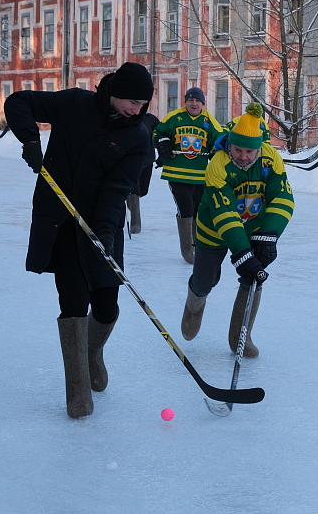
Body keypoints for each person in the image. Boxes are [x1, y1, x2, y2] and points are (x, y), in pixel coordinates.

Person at [4, 63, 155, 419]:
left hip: (102, 224)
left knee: (106, 306)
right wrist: (29, 138)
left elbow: (117, 188)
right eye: (132, 101)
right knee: (73, 302)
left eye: (143, 104)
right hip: (60, 222)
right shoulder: (74, 104)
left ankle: (92, 352)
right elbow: (18, 102)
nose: (138, 110)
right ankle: (77, 390)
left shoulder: (137, 137)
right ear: (115, 92)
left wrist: (105, 230)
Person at [180, 103, 294, 359]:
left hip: (255, 227)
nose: (243, 156)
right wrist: (242, 252)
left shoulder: (270, 158)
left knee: (253, 277)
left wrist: (268, 236)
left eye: (249, 151)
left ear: (259, 148)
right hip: (214, 230)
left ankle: (240, 336)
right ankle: (194, 304)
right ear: (228, 145)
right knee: (204, 281)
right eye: (237, 149)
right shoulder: (218, 165)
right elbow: (225, 214)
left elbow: (283, 199)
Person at [152, 86, 221, 263]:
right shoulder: (174, 117)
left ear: (203, 103)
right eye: (191, 100)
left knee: (198, 210)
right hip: (176, 174)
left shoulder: (208, 121)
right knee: (186, 208)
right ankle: (187, 251)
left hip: (200, 176)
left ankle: (197, 245)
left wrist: (216, 150)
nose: (194, 103)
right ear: (185, 101)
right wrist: (161, 140)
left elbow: (220, 138)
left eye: (198, 100)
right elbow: (157, 133)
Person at [125, 106, 160, 236]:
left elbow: (160, 136)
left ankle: (130, 199)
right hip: (131, 162)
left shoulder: (151, 120)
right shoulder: (127, 118)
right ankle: (135, 225)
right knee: (136, 191)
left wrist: (162, 154)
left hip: (147, 161)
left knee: (143, 191)